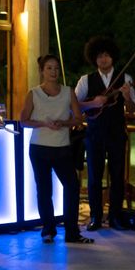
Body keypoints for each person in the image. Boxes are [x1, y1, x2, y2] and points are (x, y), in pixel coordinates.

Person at [20, 55, 94, 244]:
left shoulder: (68, 92)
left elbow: (79, 119)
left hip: (62, 149)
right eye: (49, 68)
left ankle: (72, 232)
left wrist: (63, 123)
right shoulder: (33, 93)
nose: (53, 72)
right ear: (42, 71)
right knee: (44, 190)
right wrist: (42, 123)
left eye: (56, 68)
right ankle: (48, 229)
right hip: (39, 149)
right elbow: (24, 121)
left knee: (72, 186)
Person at [75, 36, 135, 231]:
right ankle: (95, 216)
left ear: (113, 57)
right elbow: (75, 106)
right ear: (94, 58)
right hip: (94, 133)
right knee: (94, 176)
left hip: (117, 132)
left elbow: (132, 109)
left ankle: (115, 216)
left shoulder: (124, 78)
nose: (103, 59)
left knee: (117, 176)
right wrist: (93, 103)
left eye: (107, 56)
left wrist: (127, 97)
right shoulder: (86, 80)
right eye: (100, 56)